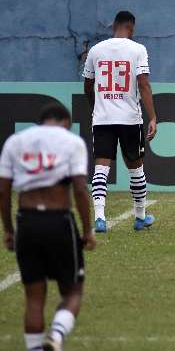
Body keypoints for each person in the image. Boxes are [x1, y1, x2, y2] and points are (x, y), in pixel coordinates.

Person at [0, 104, 97, 351]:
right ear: (65, 122)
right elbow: (80, 189)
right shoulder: (71, 141)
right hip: (59, 222)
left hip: (27, 222)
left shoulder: (15, 141)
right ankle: (56, 334)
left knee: (33, 297)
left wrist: (9, 230)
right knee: (73, 291)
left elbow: (3, 191)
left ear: (42, 121)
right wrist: (87, 231)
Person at [83, 10, 157, 232]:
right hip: (129, 118)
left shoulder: (96, 50)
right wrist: (152, 115)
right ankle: (140, 216)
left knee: (101, 167)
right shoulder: (138, 50)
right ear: (131, 28)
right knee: (135, 167)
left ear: (113, 25)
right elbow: (143, 83)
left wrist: (97, 105)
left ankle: (99, 218)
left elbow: (87, 85)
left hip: (103, 117)